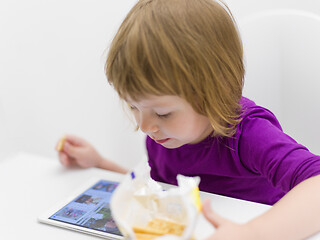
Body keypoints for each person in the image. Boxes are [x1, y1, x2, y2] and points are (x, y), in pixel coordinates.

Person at [56, 0, 320, 239]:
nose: (145, 126)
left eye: (162, 113)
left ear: (215, 90)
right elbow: (160, 194)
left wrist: (252, 233)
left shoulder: (249, 134)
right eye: (134, 107)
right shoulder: (166, 136)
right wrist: (100, 164)